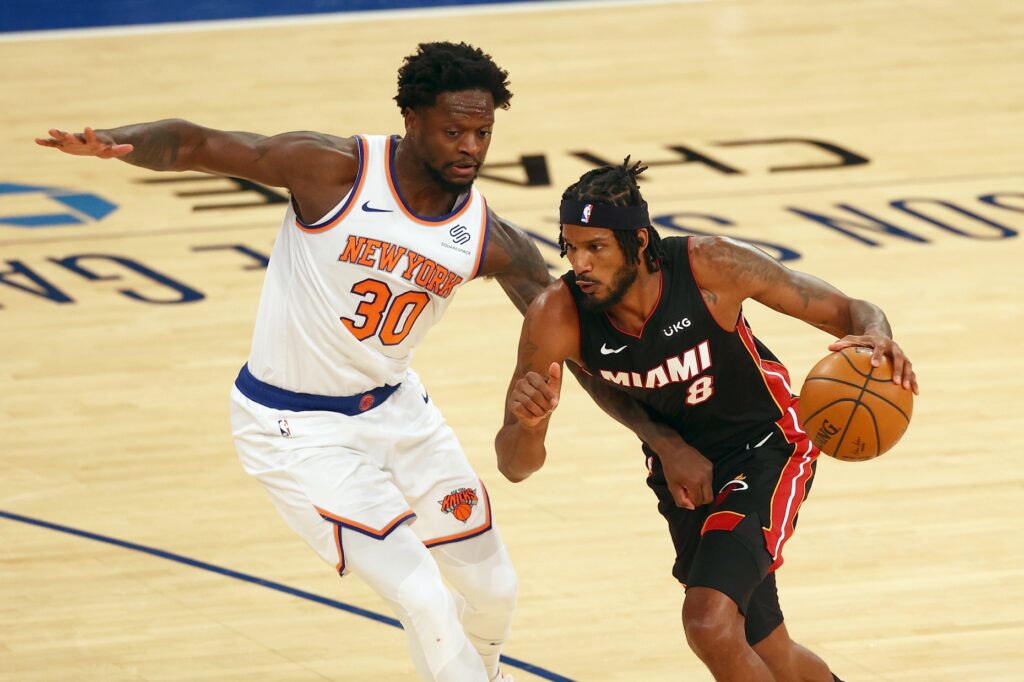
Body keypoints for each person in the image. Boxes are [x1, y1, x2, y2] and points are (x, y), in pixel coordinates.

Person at [37, 42, 557, 682]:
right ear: (411, 119)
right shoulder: (333, 170)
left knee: (495, 590)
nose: (470, 147)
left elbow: (561, 318)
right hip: (296, 429)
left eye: (482, 132)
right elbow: (202, 144)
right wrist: (120, 141)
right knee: (421, 596)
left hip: (399, 412)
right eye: (454, 131)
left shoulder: (484, 235)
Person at [496, 159, 918, 682]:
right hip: (687, 478)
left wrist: (877, 334)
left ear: (640, 243)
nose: (579, 263)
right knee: (768, 650)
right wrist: (531, 426)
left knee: (709, 624)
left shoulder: (711, 266)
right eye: (570, 246)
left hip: (766, 445)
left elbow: (850, 309)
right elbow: (514, 466)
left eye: (596, 247)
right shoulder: (555, 315)